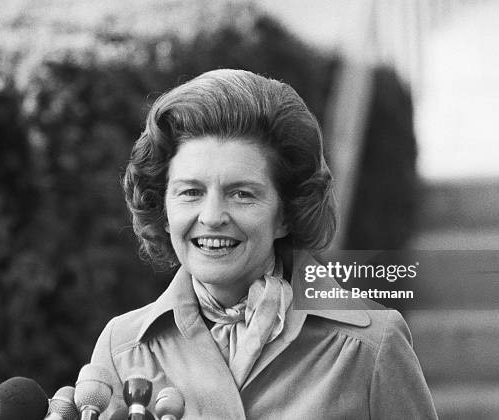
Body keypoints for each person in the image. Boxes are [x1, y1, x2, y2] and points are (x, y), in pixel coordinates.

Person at [90, 69, 438, 419]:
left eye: (241, 194)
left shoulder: (370, 347)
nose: (212, 216)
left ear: (287, 213)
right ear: (163, 209)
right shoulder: (122, 349)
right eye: (190, 192)